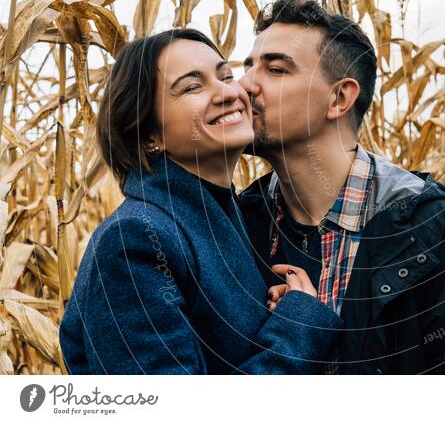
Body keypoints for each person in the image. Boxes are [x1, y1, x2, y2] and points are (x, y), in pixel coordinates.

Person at [238, 0, 445, 374]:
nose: (244, 86)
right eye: (247, 67)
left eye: (275, 69)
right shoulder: (240, 222)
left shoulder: (427, 230)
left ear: (339, 98)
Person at [59, 28, 341, 374]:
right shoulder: (134, 240)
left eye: (225, 75)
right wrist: (300, 327)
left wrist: (281, 313)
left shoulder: (234, 219)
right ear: (149, 135)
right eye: (192, 86)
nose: (228, 92)